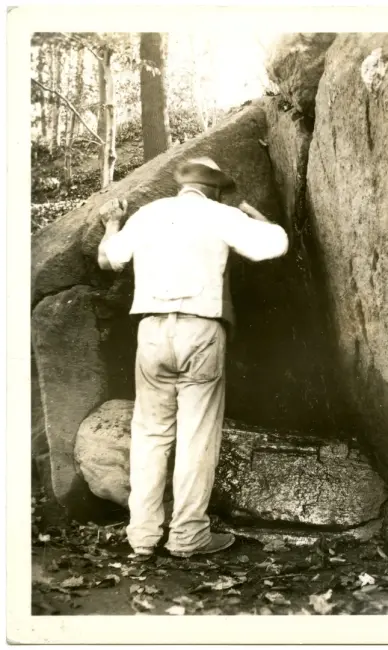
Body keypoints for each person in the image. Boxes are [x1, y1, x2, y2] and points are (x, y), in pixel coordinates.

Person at [97, 157, 289, 558]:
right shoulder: (220, 214)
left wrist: (112, 223)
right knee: (195, 437)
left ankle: (143, 537)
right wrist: (256, 216)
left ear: (181, 184)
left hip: (150, 329)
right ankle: (188, 537)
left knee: (150, 435)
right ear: (215, 188)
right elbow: (275, 246)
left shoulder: (149, 214)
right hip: (201, 330)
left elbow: (108, 259)